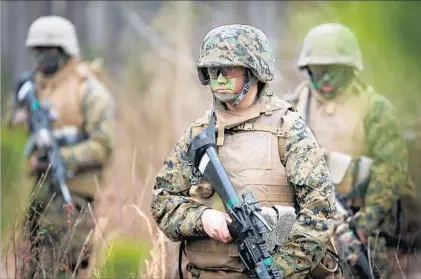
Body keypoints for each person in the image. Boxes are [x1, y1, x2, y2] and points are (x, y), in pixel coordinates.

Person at [150, 24, 339, 279]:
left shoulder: (288, 129)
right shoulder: (199, 135)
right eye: (213, 71)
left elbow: (320, 211)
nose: (219, 79)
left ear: (254, 71)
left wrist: (279, 270)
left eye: (228, 70)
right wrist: (202, 218)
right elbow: (162, 201)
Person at [291, 22, 416, 278]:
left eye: (333, 71)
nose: (325, 78)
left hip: (362, 224)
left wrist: (364, 224)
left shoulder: (376, 109)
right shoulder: (292, 108)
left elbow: (389, 171)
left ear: (350, 69)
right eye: (317, 70)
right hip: (308, 222)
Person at [10, 15, 115, 278]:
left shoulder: (89, 91)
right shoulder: (31, 87)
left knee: (59, 268)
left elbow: (103, 146)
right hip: (32, 197)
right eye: (38, 51)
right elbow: (10, 135)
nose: (42, 58)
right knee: (29, 267)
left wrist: (62, 157)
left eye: (49, 51)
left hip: (71, 197)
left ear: (64, 51)